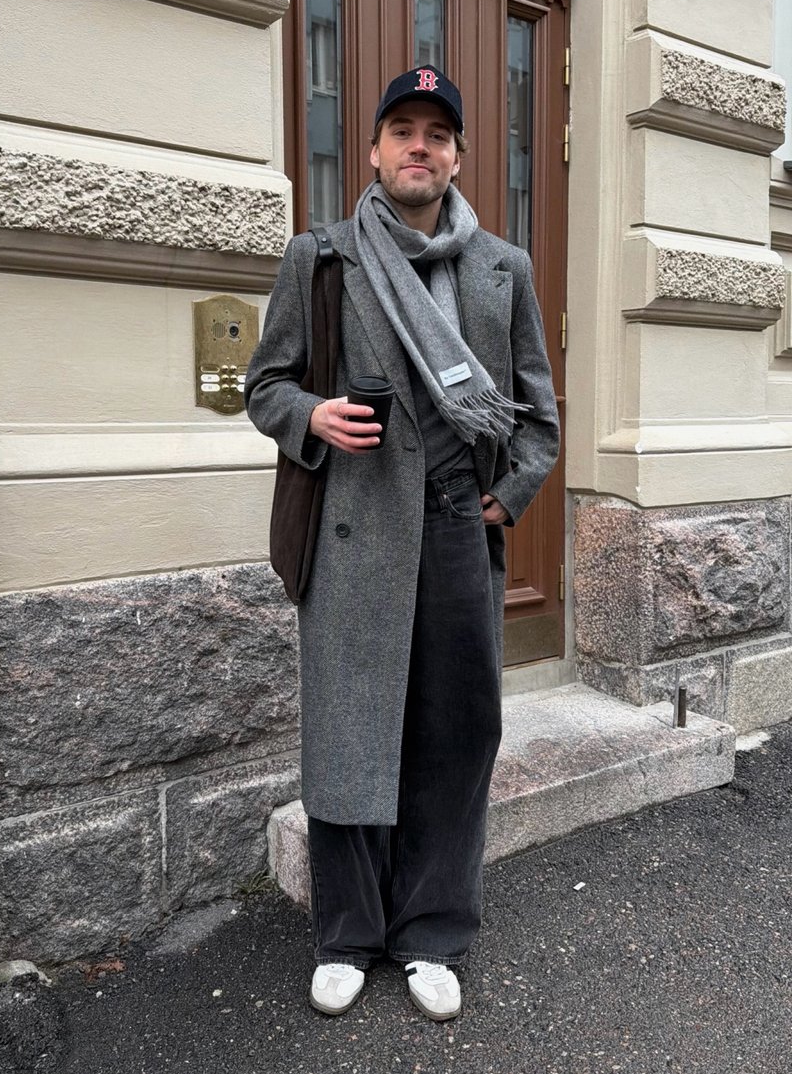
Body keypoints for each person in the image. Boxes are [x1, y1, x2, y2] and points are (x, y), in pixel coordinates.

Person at [245, 66, 559, 1021]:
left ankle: (431, 932)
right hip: (354, 540)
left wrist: (502, 503)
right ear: (374, 150)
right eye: (401, 130)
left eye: (437, 132)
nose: (418, 146)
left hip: (460, 536)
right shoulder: (324, 259)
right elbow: (265, 386)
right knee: (350, 732)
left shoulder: (503, 269)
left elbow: (539, 418)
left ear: (458, 156)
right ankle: (348, 932)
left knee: (456, 736)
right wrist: (313, 415)